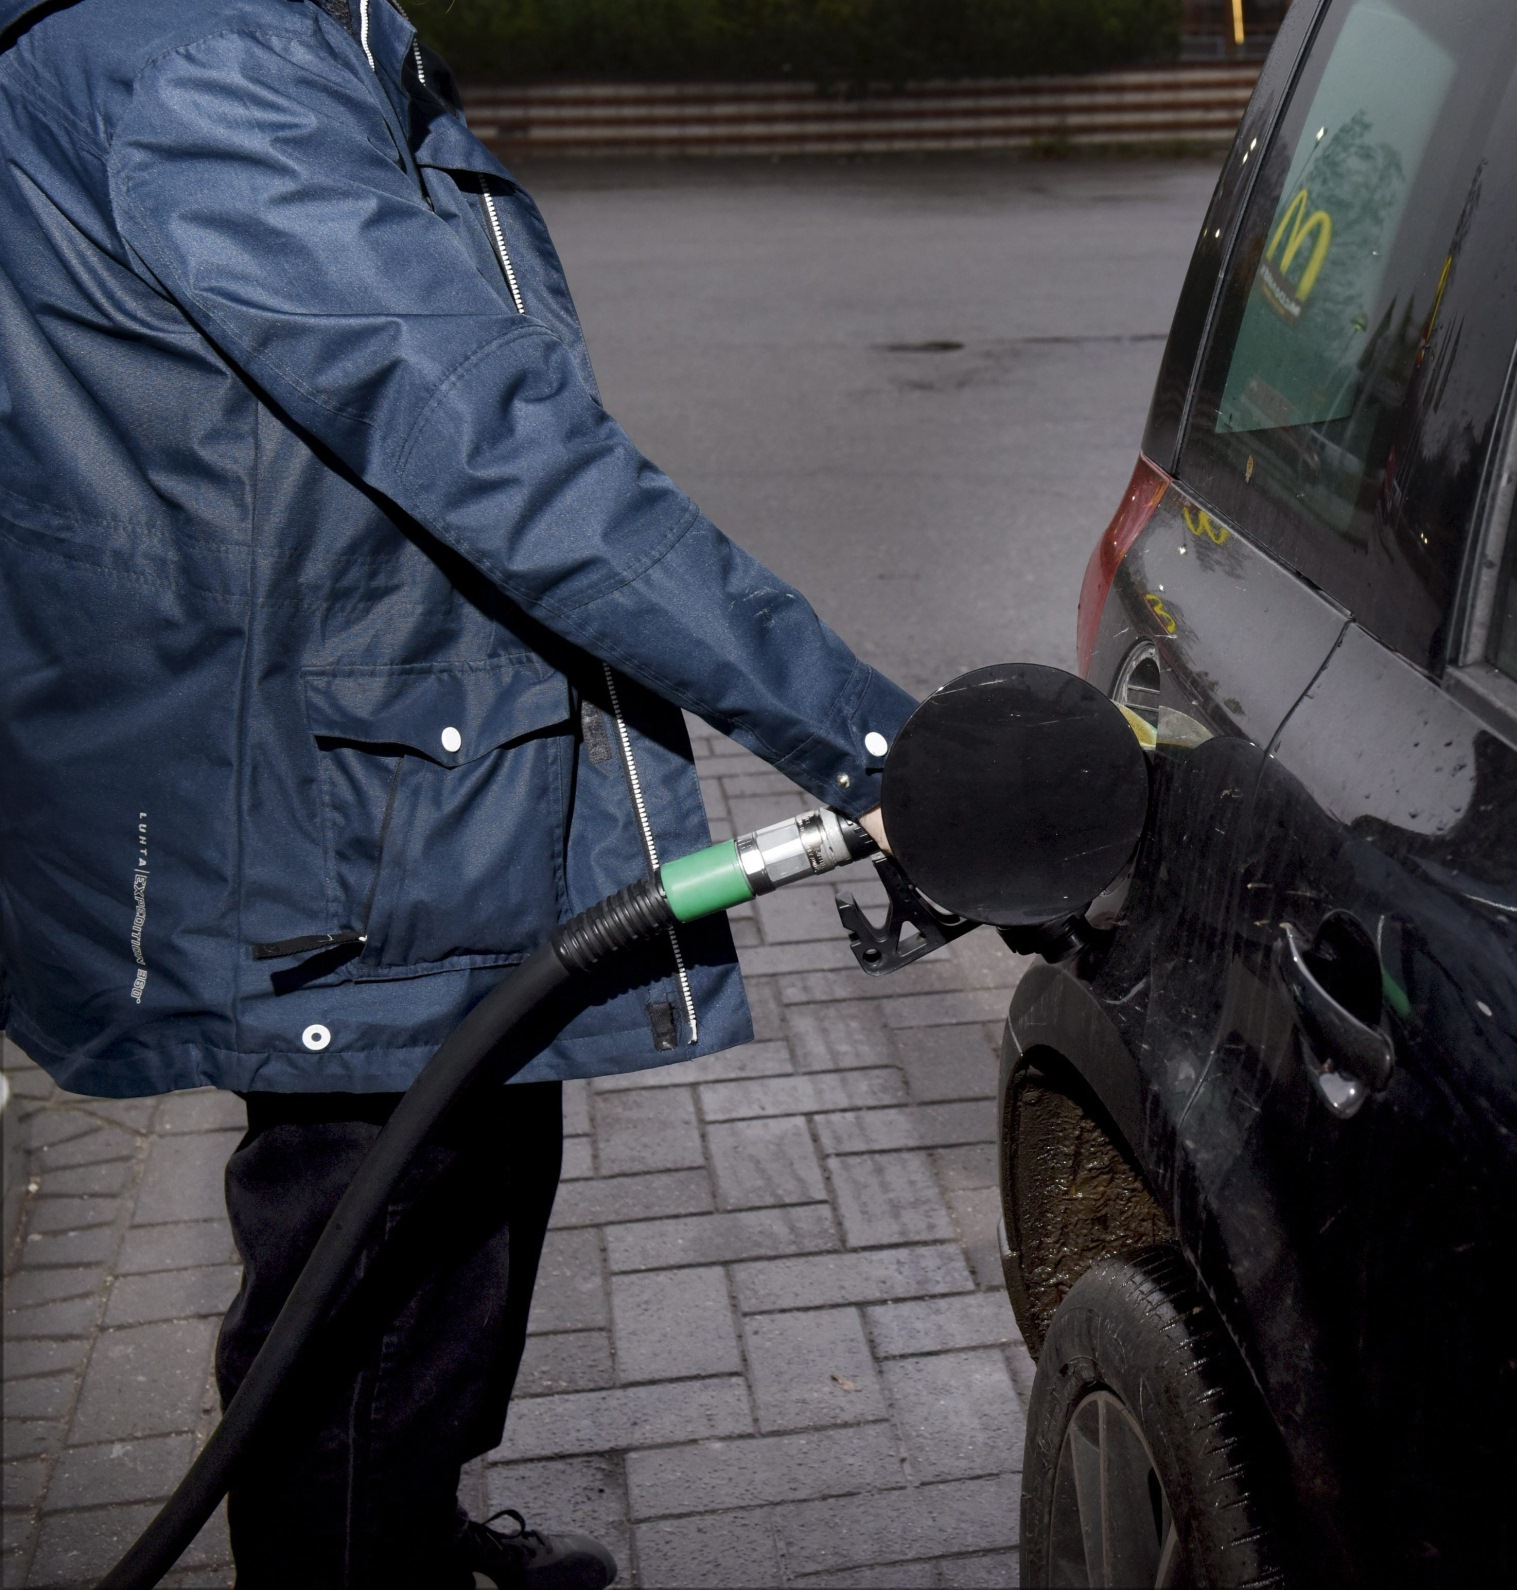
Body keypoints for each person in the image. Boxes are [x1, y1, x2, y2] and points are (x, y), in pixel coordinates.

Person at [0, 0, 913, 1584]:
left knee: (433, 1218)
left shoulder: (199, 36)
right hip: (339, 801)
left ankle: (399, 1531)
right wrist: (878, 742)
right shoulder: (213, 59)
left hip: (335, 759)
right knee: (377, 1272)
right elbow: (489, 439)